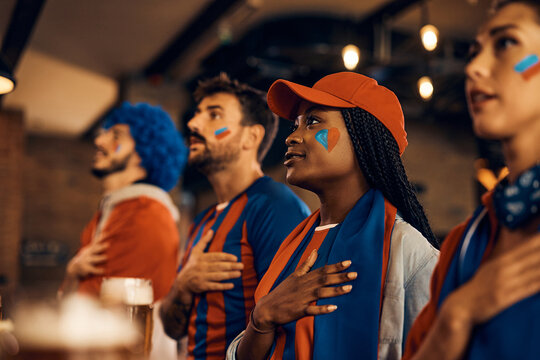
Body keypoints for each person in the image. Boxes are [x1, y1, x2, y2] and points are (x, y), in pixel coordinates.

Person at [226, 72, 439, 360]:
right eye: (295, 124)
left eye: (313, 122)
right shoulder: (294, 243)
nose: (291, 137)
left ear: (363, 140)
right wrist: (261, 318)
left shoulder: (408, 251)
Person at [403, 1, 540, 359]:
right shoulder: (464, 243)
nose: (474, 67)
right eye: (474, 52)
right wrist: (455, 318)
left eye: (506, 43)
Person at [159, 73, 310, 360]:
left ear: (250, 136)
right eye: (197, 114)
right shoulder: (202, 223)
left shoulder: (274, 207)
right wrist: (182, 286)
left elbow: (289, 331)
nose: (193, 124)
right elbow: (172, 329)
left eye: (214, 115)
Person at [60, 102, 187, 301]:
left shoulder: (145, 215)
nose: (100, 140)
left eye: (116, 136)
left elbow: (92, 308)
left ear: (144, 154)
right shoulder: (116, 210)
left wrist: (71, 277)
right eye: (105, 133)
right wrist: (72, 271)